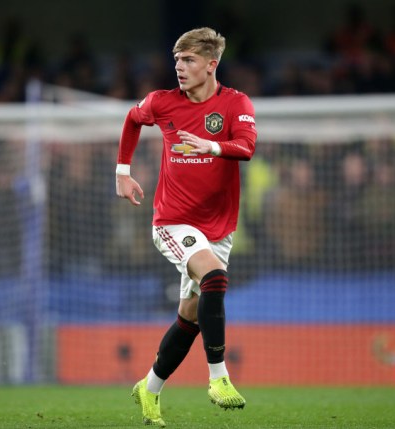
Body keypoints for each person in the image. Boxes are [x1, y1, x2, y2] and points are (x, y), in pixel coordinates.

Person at [115, 27, 257, 427]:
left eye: (189, 60)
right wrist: (122, 171)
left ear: (211, 65)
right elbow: (132, 119)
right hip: (173, 222)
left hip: (219, 228)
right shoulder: (162, 102)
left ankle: (149, 387)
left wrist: (211, 146)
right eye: (177, 60)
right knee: (214, 277)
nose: (179, 67)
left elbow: (246, 147)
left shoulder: (236, 103)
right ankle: (219, 378)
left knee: (191, 317)